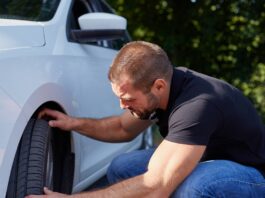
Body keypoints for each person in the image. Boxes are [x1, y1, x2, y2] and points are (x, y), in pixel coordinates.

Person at [26, 41, 265, 198]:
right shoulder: (163, 89)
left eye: (128, 98)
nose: (123, 105)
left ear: (158, 86)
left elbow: (156, 186)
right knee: (123, 167)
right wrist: (73, 123)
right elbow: (121, 128)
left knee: (199, 187)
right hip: (206, 158)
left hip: (251, 175)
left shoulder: (198, 105)